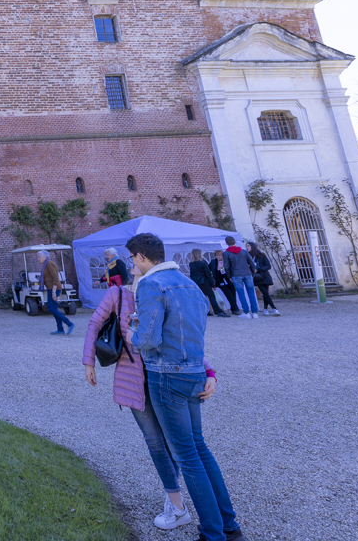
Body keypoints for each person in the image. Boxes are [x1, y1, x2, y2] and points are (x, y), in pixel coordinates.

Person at [129, 232, 246, 541]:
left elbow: (149, 339)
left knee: (187, 457)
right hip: (194, 371)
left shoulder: (150, 285)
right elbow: (196, 330)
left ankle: (212, 533)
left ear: (141, 257)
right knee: (200, 449)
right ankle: (229, 526)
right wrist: (207, 369)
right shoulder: (189, 284)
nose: (133, 264)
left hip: (166, 375)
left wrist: (132, 334)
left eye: (132, 259)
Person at [83, 278, 219, 531]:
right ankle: (176, 504)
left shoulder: (162, 292)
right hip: (134, 381)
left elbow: (182, 340)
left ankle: (182, 501)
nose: (137, 271)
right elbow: (95, 324)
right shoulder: (118, 294)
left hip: (168, 379)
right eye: (134, 267)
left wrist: (208, 371)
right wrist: (88, 361)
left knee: (177, 442)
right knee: (156, 443)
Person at [38, 250, 74, 336]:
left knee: (51, 308)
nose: (38, 259)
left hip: (54, 288)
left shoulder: (49, 264)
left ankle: (69, 323)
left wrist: (53, 292)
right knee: (54, 308)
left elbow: (55, 278)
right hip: (52, 288)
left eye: (39, 257)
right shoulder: (47, 264)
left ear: (45, 257)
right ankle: (60, 329)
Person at [223, 236, 258, 320]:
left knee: (241, 293)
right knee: (251, 292)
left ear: (226, 243)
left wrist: (229, 276)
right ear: (235, 242)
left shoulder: (226, 253)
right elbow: (252, 263)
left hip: (236, 275)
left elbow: (226, 266)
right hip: (247, 274)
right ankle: (254, 312)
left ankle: (246, 312)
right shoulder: (244, 252)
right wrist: (252, 273)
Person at [190, 249, 229, 318]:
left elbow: (192, 274)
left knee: (201, 298)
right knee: (211, 297)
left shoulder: (191, 263)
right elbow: (208, 274)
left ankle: (206, 311)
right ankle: (218, 311)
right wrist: (213, 284)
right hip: (204, 282)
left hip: (196, 282)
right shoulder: (203, 262)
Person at [246, 242, 280, 316]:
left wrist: (258, 269)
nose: (247, 247)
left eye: (248, 246)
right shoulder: (247, 256)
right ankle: (274, 308)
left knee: (265, 293)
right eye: (246, 246)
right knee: (265, 292)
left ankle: (265, 309)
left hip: (264, 276)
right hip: (257, 278)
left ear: (253, 247)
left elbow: (268, 266)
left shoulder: (261, 255)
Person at [211, 250, 239, 315]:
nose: (218, 257)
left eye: (219, 255)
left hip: (229, 280)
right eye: (217, 255)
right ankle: (236, 309)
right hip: (220, 281)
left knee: (233, 294)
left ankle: (233, 309)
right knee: (229, 295)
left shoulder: (227, 261)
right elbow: (209, 269)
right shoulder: (213, 262)